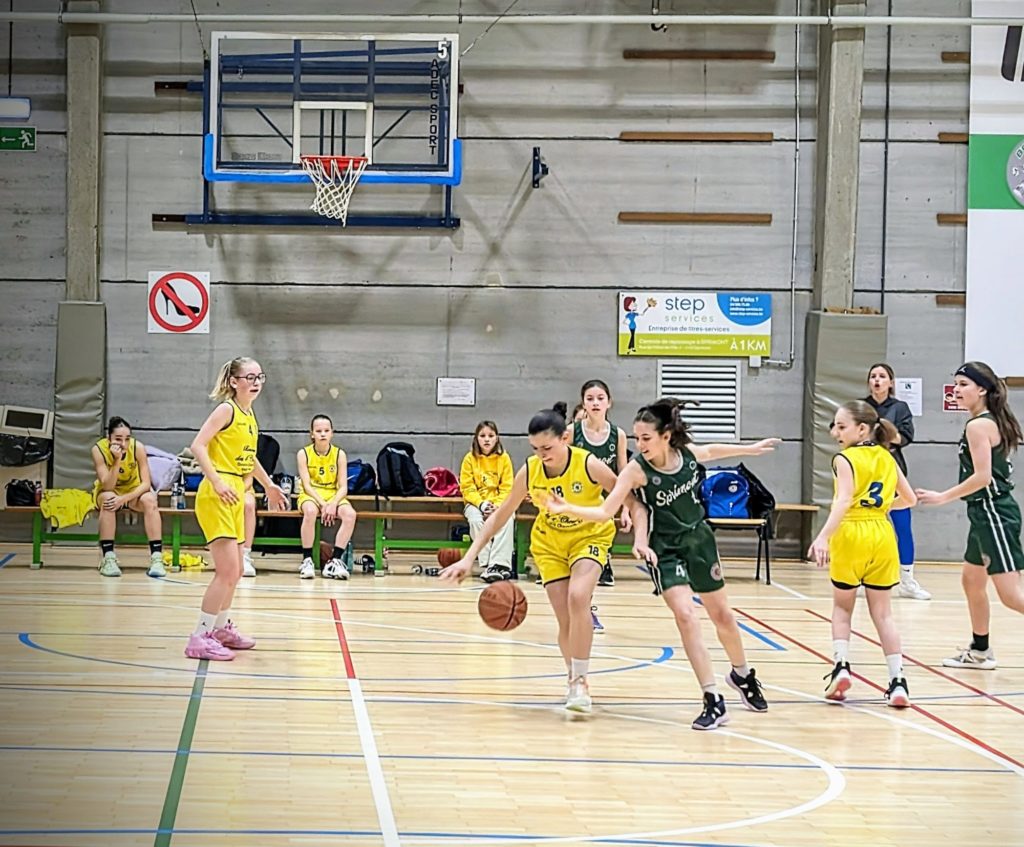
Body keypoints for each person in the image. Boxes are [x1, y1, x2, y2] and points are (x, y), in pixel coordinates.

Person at [547, 398, 777, 730]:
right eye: (637, 438)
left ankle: (742, 675)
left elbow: (712, 451)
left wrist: (751, 449)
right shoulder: (637, 470)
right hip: (664, 549)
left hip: (698, 539)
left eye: (646, 438)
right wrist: (568, 508)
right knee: (686, 616)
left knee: (722, 616)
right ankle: (712, 697)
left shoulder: (687, 456)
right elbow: (604, 511)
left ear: (666, 436)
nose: (640, 445)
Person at [441, 403, 636, 715]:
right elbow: (499, 517)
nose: (541, 454)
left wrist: (628, 512)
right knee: (565, 618)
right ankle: (573, 677)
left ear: (565, 439)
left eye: (547, 447)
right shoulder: (530, 470)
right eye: (535, 448)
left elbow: (624, 489)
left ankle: (582, 680)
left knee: (578, 597)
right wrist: (469, 558)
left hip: (590, 536)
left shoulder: (588, 464)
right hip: (549, 544)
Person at [916, 362, 1024, 670]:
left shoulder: (978, 426)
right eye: (956, 384)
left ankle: (981, 651)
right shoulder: (985, 421)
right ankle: (980, 651)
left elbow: (983, 478)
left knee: (1012, 597)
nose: (957, 390)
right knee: (972, 581)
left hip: (994, 514)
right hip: (983, 514)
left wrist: (942, 497)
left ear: (982, 389)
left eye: (963, 384)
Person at [810, 401, 916, 708]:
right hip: (883, 535)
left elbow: (842, 501)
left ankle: (841, 666)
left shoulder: (845, 459)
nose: (836, 432)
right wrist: (881, 508)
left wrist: (823, 537)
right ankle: (898, 683)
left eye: (842, 426)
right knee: (883, 614)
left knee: (843, 609)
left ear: (862, 429)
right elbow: (908, 499)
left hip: (851, 533)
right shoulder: (887, 456)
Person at [185, 357, 288, 661]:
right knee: (227, 570)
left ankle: (220, 629)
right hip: (218, 494)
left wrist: (268, 484)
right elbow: (198, 445)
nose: (256, 382)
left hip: (236, 493)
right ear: (234, 381)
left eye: (260, 377)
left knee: (238, 569)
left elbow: (248, 457)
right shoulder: (226, 409)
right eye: (250, 377)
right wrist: (215, 481)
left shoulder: (248, 413)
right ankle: (199, 637)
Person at [864, 363, 929, 600]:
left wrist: (887, 434)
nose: (877, 380)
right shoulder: (860, 407)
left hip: (891, 469)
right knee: (867, 527)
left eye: (882, 376)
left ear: (890, 382)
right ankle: (864, 577)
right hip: (866, 472)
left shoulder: (900, 408)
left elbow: (906, 437)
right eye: (873, 376)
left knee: (902, 527)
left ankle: (907, 581)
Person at [572, 379, 631, 587]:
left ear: (609, 402)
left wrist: (626, 509)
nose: (595, 403)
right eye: (590, 399)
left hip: (605, 501)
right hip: (576, 495)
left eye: (600, 398)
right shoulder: (572, 431)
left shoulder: (618, 435)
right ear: (583, 404)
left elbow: (624, 475)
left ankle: (603, 561)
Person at [90, 416, 165, 578]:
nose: (123, 444)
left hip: (132, 492)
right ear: (108, 438)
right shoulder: (98, 450)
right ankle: (108, 558)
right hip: (108, 491)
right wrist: (117, 461)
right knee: (109, 498)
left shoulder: (138, 448)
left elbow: (146, 484)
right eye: (118, 439)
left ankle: (157, 558)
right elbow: (107, 485)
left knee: (150, 499)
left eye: (127, 439)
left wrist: (124, 499)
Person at [296, 414, 357, 580]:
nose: (322, 434)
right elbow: (306, 485)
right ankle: (307, 560)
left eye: (326, 430)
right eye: (318, 431)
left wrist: (333, 503)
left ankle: (335, 561)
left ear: (332, 433)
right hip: (311, 493)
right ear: (312, 434)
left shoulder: (339, 454)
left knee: (350, 515)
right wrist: (323, 504)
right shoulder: (303, 454)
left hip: (333, 493)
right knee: (309, 511)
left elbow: (343, 487)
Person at [459, 420, 515, 582]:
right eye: (482, 436)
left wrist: (497, 505)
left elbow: (507, 486)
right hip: (476, 503)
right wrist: (482, 504)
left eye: (490, 436)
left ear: (497, 438)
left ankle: (500, 564)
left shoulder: (504, 459)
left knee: (507, 519)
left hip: (498, 503)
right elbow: (467, 488)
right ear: (476, 438)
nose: (487, 439)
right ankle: (489, 564)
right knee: (476, 520)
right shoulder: (469, 459)